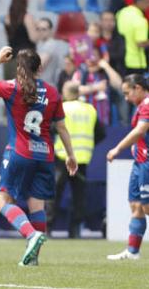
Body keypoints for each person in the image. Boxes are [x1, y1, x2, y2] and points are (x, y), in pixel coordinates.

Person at [0, 46, 77, 266]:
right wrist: (70, 155)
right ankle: (33, 260)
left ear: (19, 67)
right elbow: (61, 127)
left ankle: (31, 235)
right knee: (37, 207)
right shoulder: (52, 92)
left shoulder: (13, 87)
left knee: (3, 201)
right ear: (40, 67)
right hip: (45, 155)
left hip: (20, 152)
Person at [46, 81, 104, 238]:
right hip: (82, 159)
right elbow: (101, 133)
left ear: (66, 92)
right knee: (79, 196)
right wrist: (88, 144)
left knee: (54, 194)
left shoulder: (63, 107)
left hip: (62, 157)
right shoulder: (90, 109)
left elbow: (51, 128)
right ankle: (75, 231)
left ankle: (47, 228)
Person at [106, 74, 149, 260]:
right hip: (139, 162)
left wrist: (118, 148)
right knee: (136, 205)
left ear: (138, 88)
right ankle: (132, 251)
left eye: (127, 93)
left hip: (147, 162)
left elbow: (140, 131)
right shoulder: (139, 106)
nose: (125, 98)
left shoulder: (147, 104)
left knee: (147, 207)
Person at [3, 0, 38, 79]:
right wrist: (39, 30)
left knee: (10, 89)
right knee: (25, 88)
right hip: (25, 58)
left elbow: (9, 37)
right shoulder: (27, 17)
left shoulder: (7, 17)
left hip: (10, 57)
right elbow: (33, 37)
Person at [116, 0, 149, 76]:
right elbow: (140, 43)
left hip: (120, 57)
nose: (148, 5)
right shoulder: (140, 20)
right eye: (147, 2)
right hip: (136, 62)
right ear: (139, 1)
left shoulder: (121, 13)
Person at [35, 18, 68, 88]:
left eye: (44, 29)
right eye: (38, 29)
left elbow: (38, 66)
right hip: (41, 86)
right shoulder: (40, 44)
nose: (40, 31)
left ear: (51, 30)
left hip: (47, 87)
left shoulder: (51, 44)